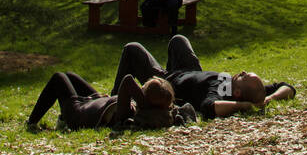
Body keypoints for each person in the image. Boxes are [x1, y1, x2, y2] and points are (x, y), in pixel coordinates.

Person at [110, 34, 297, 120]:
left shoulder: (220, 91)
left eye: (244, 76)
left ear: (238, 93)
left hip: (168, 81)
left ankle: (114, 100)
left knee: (132, 48)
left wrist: (245, 107)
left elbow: (210, 107)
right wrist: (267, 99)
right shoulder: (240, 88)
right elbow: (287, 87)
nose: (241, 72)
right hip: (189, 71)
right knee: (178, 40)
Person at [26, 72, 174, 131]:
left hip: (78, 114)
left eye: (143, 88)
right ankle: (59, 119)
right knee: (70, 76)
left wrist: (143, 102)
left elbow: (128, 80)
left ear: (144, 98)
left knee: (58, 78)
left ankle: (31, 123)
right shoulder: (139, 109)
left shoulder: (127, 112)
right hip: (97, 103)